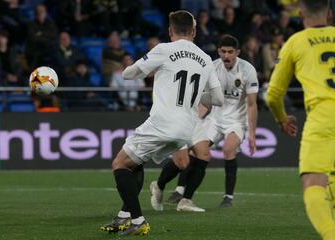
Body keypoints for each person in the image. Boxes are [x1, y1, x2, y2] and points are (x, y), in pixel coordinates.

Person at [100, 10, 224, 236]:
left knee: (119, 164)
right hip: (186, 130)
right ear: (194, 31)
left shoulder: (164, 49)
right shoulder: (206, 59)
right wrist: (195, 96)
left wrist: (148, 68)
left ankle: (138, 220)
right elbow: (218, 99)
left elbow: (129, 74)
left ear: (169, 31)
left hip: (162, 123)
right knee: (135, 164)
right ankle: (124, 216)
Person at [154, 34, 258, 211]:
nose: (226, 55)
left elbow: (252, 103)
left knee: (228, 149)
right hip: (214, 119)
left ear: (238, 52)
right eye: (223, 51)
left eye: (230, 52)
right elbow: (203, 100)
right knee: (196, 153)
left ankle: (228, 196)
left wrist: (252, 134)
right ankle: (176, 190)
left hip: (236, 121)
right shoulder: (212, 67)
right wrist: (193, 120)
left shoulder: (247, 70)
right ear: (218, 51)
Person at [265, 0, 335, 239]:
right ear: (329, 13)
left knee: (314, 180)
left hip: (323, 114)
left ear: (300, 13)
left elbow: (273, 94)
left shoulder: (296, 42)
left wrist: (282, 118)